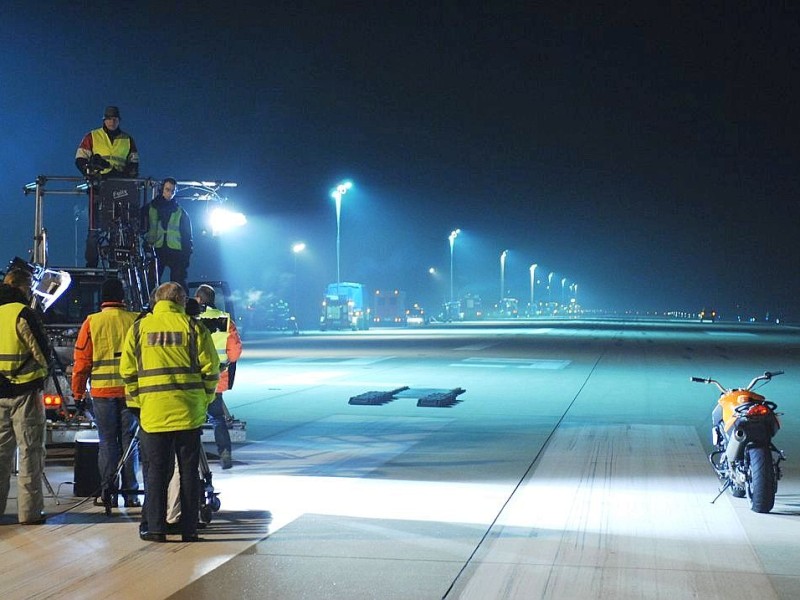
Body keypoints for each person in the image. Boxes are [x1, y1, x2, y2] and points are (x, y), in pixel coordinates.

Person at [120, 282, 219, 543]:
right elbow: (211, 370)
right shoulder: (194, 327)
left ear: (156, 300)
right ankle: (189, 529)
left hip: (153, 412)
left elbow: (128, 372)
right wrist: (205, 398)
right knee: (188, 471)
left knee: (156, 472)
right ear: (182, 300)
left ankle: (155, 528)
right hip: (188, 411)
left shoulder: (140, 328)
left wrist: (137, 403)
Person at [72, 278, 140, 509]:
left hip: (102, 392)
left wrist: (78, 394)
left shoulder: (91, 322)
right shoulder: (135, 320)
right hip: (130, 392)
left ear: (102, 298)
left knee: (108, 442)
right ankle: (131, 494)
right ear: (123, 297)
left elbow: (82, 362)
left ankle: (108, 491)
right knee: (130, 442)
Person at [0, 268, 51, 525]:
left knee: (0, 455)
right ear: (21, 287)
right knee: (29, 452)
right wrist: (44, 371)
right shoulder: (22, 313)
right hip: (25, 392)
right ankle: (29, 513)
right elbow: (42, 351)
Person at [75, 106, 140, 267]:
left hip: (119, 188)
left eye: (115, 119)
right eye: (109, 119)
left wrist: (127, 174)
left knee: (118, 230)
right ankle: (91, 266)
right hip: (98, 187)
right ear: (104, 119)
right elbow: (80, 159)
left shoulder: (127, 139)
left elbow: (134, 163)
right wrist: (90, 170)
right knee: (94, 229)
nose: (112, 122)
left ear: (119, 120)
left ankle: (115, 265)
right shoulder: (93, 136)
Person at [195, 284, 242, 469]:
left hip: (194, 378)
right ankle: (225, 453)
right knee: (217, 418)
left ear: (198, 299)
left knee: (192, 420)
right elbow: (235, 350)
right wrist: (226, 363)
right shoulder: (225, 319)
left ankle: (194, 461)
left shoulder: (191, 319)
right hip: (216, 377)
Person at [141, 178, 193, 291]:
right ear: (162, 190)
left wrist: (185, 259)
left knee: (178, 284)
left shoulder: (181, 212)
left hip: (175, 252)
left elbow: (187, 237)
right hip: (156, 250)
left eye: (173, 191)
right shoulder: (150, 208)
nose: (170, 193)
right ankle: (152, 305)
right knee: (151, 282)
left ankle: (181, 305)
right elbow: (138, 225)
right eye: (168, 190)